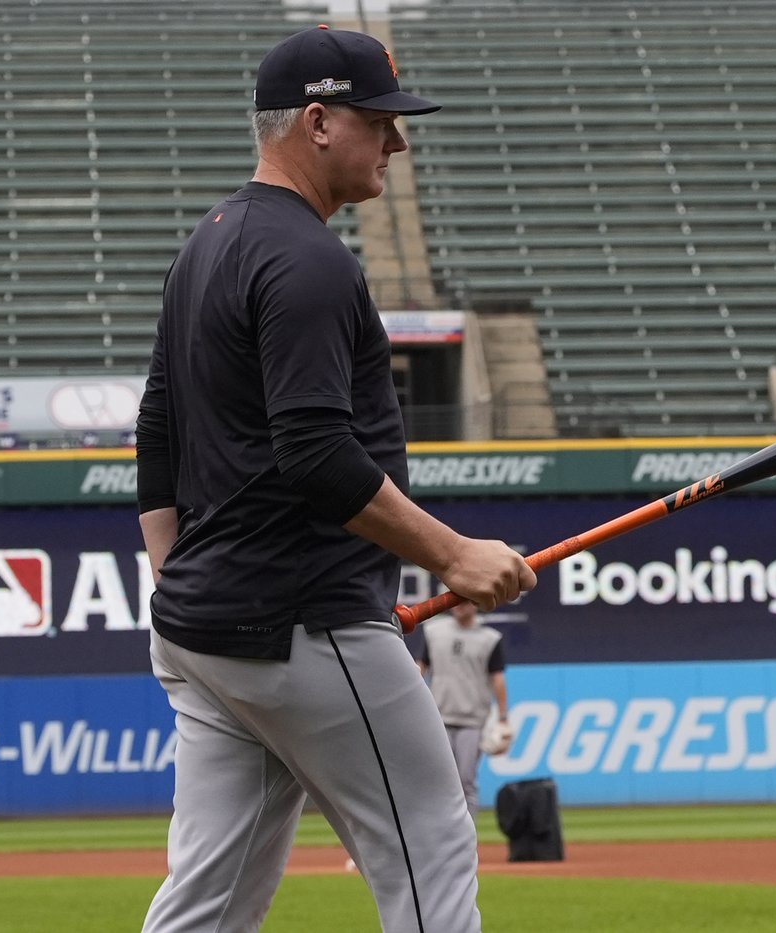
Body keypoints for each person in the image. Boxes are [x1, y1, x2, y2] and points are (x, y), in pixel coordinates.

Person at [134, 26, 537, 933]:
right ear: (317, 122)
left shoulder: (208, 242)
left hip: (206, 626)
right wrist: (455, 553)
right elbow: (315, 455)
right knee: (431, 842)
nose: (398, 142)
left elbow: (156, 430)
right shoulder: (310, 259)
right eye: (380, 121)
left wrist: (175, 569)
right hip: (299, 623)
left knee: (210, 898)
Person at [419, 601, 511, 820]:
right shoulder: (434, 631)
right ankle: (441, 837)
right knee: (440, 781)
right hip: (438, 717)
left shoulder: (489, 638)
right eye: (455, 598)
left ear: (476, 603)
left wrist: (503, 718)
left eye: (465, 599)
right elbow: (420, 668)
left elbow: (497, 679)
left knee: (466, 780)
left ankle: (466, 840)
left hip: (472, 719)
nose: (459, 604)